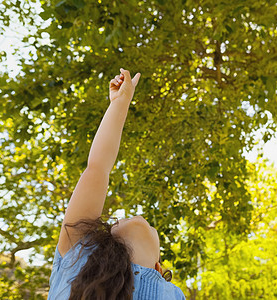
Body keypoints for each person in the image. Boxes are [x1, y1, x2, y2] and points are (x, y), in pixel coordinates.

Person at [47, 68, 186, 300]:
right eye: (153, 228)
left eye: (115, 225)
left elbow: (97, 168)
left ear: (159, 269)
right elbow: (98, 168)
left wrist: (120, 104)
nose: (136, 218)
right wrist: (121, 102)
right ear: (158, 267)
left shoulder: (78, 255)